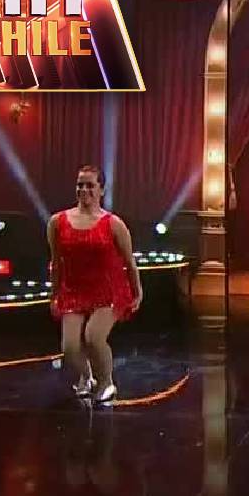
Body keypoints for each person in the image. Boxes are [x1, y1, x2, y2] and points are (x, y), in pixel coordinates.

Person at [48, 165, 142, 406]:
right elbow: (56, 263)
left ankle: (106, 382)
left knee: (93, 337)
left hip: (108, 290)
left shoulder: (113, 224)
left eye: (90, 185)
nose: (84, 189)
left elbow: (129, 262)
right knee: (70, 347)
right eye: (80, 184)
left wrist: (137, 291)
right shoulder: (58, 222)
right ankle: (86, 376)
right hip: (73, 289)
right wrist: (54, 294)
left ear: (102, 190)